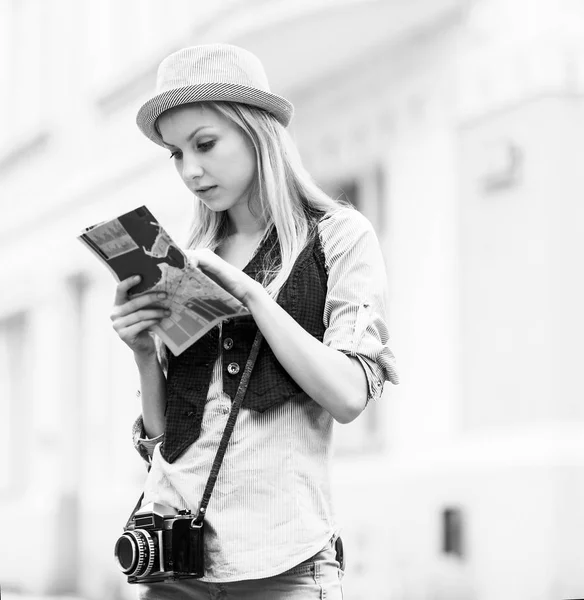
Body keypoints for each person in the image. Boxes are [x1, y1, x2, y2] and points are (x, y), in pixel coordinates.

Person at [110, 43, 399, 600]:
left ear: (256, 132)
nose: (191, 170)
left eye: (205, 144)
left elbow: (347, 396)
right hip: (174, 563)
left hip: (282, 564)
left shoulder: (337, 237)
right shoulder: (187, 254)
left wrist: (252, 296)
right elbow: (167, 444)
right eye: (175, 153)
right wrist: (145, 354)